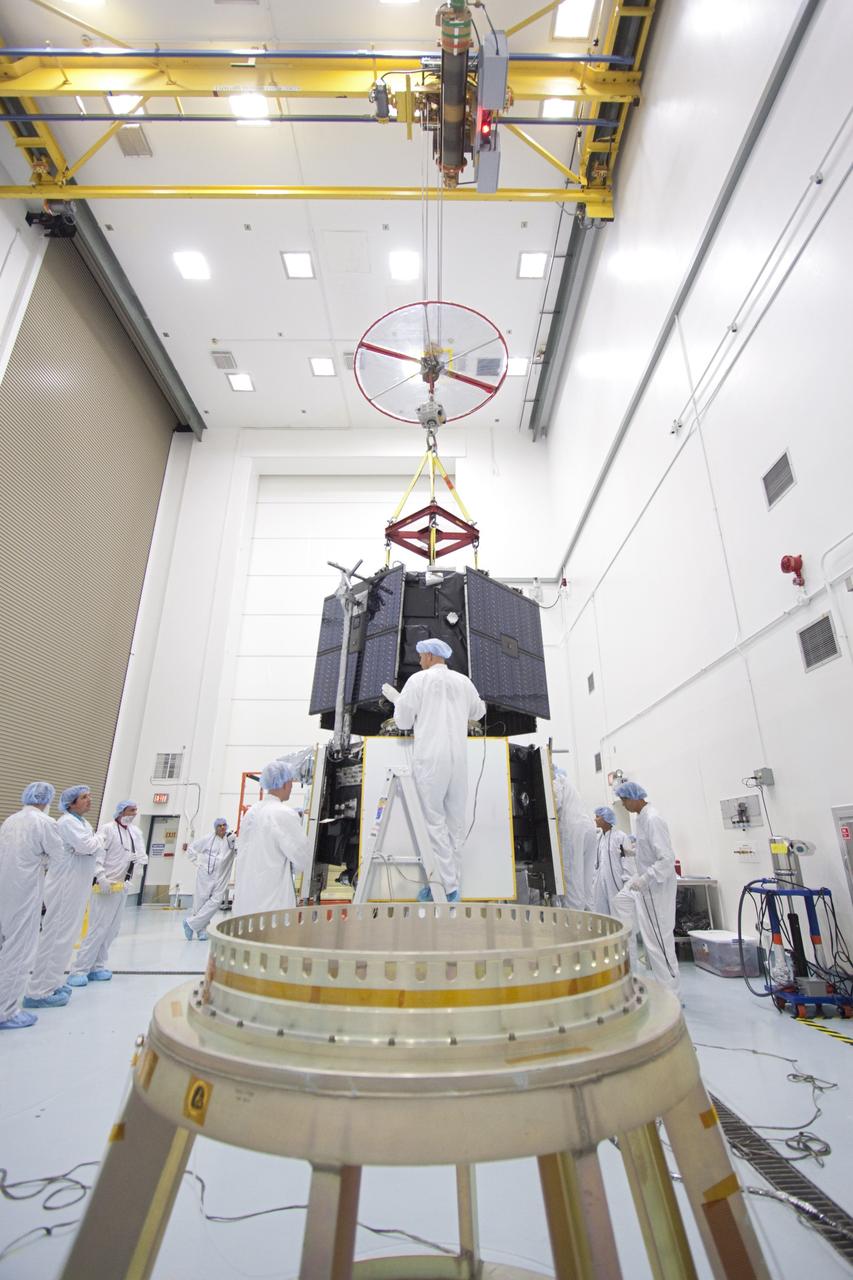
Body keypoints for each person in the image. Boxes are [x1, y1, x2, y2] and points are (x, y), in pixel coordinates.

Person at [382, 638, 486, 903]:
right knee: (455, 826)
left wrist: (398, 700)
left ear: (429, 656)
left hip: (431, 760)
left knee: (434, 823)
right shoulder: (464, 682)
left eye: (420, 656)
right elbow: (479, 710)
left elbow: (404, 720)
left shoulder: (418, 681)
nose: (418, 661)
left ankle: (446, 888)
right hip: (458, 761)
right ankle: (448, 884)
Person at [25, 785, 103, 1008]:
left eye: (89, 796)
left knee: (66, 937)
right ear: (70, 803)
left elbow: (91, 847)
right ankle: (38, 991)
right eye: (84, 797)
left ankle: (52, 982)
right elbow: (88, 846)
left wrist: (93, 844)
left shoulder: (83, 823)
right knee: (56, 936)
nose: (89, 800)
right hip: (64, 886)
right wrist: (96, 842)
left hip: (77, 885)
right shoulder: (66, 822)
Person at [0, 782, 64, 1030]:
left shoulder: (11, 821)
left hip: (6, 889)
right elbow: (58, 854)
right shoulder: (45, 823)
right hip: (25, 892)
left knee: (6, 946)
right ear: (47, 799)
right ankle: (6, 1011)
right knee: (20, 951)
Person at [611, 782, 681, 997]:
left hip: (657, 889)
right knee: (651, 942)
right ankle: (664, 989)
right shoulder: (641, 818)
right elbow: (651, 851)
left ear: (634, 797)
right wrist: (635, 853)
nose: (623, 805)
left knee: (660, 942)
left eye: (624, 801)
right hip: (648, 889)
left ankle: (672, 994)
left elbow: (667, 859)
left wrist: (645, 878)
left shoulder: (652, 818)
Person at [68, 800, 147, 985]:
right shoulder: (107, 829)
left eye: (136, 810)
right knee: (97, 929)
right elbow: (98, 855)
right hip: (105, 886)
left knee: (112, 929)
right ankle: (79, 969)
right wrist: (100, 877)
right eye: (130, 810)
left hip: (122, 886)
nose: (134, 813)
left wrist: (137, 871)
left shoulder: (135, 832)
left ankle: (98, 966)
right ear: (121, 811)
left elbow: (141, 855)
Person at [232, 761, 311, 915]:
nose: (292, 786)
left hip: (245, 904)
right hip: (271, 907)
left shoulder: (252, 812)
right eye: (291, 782)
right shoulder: (283, 813)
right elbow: (303, 858)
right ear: (285, 784)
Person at [183, 818, 237, 941]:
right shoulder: (207, 839)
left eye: (224, 825)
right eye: (219, 826)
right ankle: (201, 930)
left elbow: (238, 850)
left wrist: (234, 840)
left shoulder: (231, 839)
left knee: (217, 901)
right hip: (206, 874)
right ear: (215, 828)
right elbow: (192, 849)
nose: (222, 828)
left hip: (222, 875)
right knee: (201, 901)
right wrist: (197, 863)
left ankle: (190, 923)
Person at [553, 767, 598, 910]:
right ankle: (590, 924)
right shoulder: (568, 783)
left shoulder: (555, 781)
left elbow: (555, 803)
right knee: (586, 884)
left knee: (572, 882)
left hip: (572, 831)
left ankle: (575, 927)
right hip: (588, 829)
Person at [590, 805, 636, 917]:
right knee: (601, 913)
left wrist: (627, 881)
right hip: (600, 881)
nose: (595, 819)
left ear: (606, 819)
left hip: (616, 880)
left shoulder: (620, 837)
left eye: (597, 817)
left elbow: (627, 861)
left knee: (617, 912)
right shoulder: (599, 838)